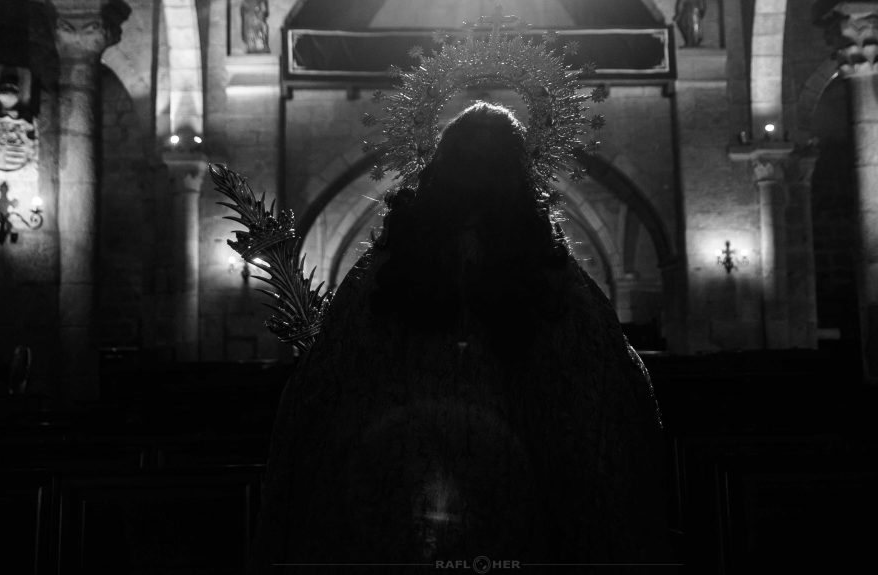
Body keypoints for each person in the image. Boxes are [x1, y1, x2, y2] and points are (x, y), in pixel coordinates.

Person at [249, 102, 673, 573]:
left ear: (441, 168)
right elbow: (611, 390)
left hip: (405, 506)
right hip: (524, 514)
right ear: (518, 172)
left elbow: (319, 392)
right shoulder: (556, 279)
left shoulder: (383, 273)